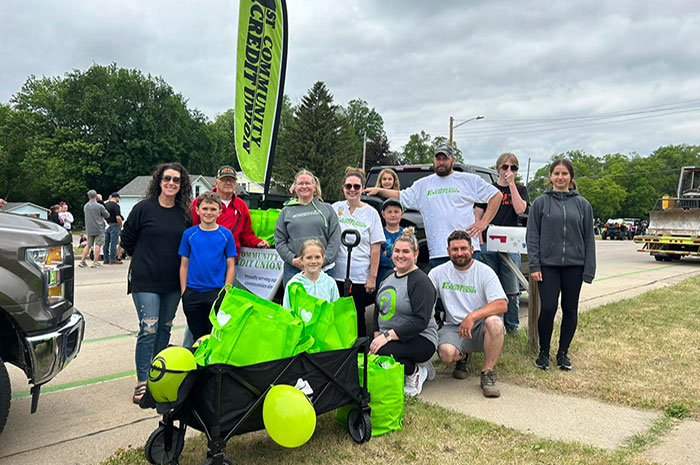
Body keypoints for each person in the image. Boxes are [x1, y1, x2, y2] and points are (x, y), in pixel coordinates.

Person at [121, 162, 192, 404]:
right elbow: (127, 239)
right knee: (149, 328)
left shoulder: (185, 214)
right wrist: (144, 259)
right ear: (159, 181)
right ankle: (142, 381)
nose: (171, 183)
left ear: (182, 185)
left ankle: (157, 375)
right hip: (145, 280)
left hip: (172, 282)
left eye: (176, 180)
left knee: (165, 328)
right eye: (167, 179)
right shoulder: (143, 208)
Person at [365, 143, 502, 268]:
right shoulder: (423, 184)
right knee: (441, 294)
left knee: (469, 293)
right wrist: (380, 190)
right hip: (438, 253)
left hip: (465, 251)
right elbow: (402, 196)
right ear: (434, 160)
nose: (441, 162)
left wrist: (484, 223)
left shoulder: (468, 180)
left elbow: (496, 196)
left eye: (445, 159)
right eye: (438, 159)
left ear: (453, 160)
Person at [527, 159, 596, 371]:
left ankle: (563, 353)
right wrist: (534, 265)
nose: (560, 177)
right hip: (548, 266)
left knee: (570, 310)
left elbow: (589, 239)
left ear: (570, 177)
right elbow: (532, 236)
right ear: (550, 177)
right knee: (547, 308)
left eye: (564, 173)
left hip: (574, 265)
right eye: (556, 173)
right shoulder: (540, 203)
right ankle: (544, 352)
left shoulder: (583, 205)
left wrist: (589, 269)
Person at [429, 230, 507, 398]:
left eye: (463, 248)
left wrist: (472, 316)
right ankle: (462, 356)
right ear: (448, 251)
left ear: (472, 249)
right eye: (455, 249)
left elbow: (502, 304)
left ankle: (487, 373)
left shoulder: (485, 272)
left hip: (479, 325)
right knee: (446, 354)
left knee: (495, 323)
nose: (459, 253)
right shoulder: (437, 273)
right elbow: (425, 298)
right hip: (453, 326)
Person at [371, 228, 438, 397]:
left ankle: (415, 371)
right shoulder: (388, 276)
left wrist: (386, 337)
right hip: (391, 336)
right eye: (397, 251)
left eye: (406, 252)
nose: (400, 255)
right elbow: (379, 307)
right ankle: (411, 365)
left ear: (415, 254)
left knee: (382, 353)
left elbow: (420, 321)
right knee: (365, 351)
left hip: (421, 339)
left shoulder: (421, 282)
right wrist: (376, 334)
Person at [474, 153, 529, 334]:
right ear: (498, 168)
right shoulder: (488, 189)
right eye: (505, 167)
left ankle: (512, 326)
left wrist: (511, 184)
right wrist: (479, 237)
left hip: (510, 243)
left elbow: (520, 209)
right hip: (488, 242)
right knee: (490, 285)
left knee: (512, 287)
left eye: (512, 168)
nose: (508, 171)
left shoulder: (519, 189)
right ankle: (494, 325)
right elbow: (478, 213)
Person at [331, 167, 385, 337]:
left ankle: (360, 354)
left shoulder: (371, 213)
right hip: (336, 273)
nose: (352, 190)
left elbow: (375, 248)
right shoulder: (335, 208)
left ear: (362, 189)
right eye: (348, 186)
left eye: (356, 187)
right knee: (337, 315)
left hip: (360, 275)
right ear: (343, 188)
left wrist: (372, 277)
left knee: (357, 316)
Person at [179, 191, 236, 341]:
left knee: (215, 337)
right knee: (198, 336)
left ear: (220, 211)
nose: (208, 213)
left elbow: (231, 265)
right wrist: (184, 291)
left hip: (216, 293)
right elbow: (184, 265)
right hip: (193, 293)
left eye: (212, 209)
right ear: (197, 210)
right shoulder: (189, 234)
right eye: (204, 209)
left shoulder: (226, 235)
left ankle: (213, 365)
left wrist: (227, 290)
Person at [275, 169, 341, 286]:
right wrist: (292, 260)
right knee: (294, 304)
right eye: (300, 183)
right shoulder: (286, 211)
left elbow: (335, 238)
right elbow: (280, 241)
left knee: (323, 304)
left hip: (324, 270)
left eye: (308, 183)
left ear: (314, 186)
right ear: (295, 187)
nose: (304, 186)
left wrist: (322, 261)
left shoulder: (327, 209)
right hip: (294, 270)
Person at [191, 165, 269, 255]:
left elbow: (246, 234)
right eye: (224, 179)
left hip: (230, 258)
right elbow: (191, 229)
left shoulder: (241, 206)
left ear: (236, 184)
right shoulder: (200, 202)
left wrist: (257, 242)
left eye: (232, 180)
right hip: (203, 255)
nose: (228, 183)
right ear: (216, 182)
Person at [282, 239, 339, 309]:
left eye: (317, 257)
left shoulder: (330, 283)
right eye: (309, 257)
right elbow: (287, 311)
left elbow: (336, 311)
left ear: (323, 259)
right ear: (302, 260)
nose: (313, 261)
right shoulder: (293, 284)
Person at [377, 198, 404, 287]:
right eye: (389, 212)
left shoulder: (407, 234)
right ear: (383, 214)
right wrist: (398, 259)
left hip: (403, 276)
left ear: (402, 214)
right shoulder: (378, 233)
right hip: (383, 276)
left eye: (396, 212)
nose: (393, 215)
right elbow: (378, 257)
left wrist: (388, 253)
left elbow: (411, 257)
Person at [79, 190, 110, 268]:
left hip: (89, 228)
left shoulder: (85, 206)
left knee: (88, 245)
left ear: (88, 196)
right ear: (96, 196)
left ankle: (82, 261)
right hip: (99, 228)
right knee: (98, 245)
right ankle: (95, 262)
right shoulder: (99, 206)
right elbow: (107, 215)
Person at [104, 193, 124, 265]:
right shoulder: (116, 206)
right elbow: (118, 217)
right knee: (114, 242)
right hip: (114, 224)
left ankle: (106, 259)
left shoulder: (105, 205)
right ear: (116, 198)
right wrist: (120, 224)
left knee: (106, 242)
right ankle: (112, 259)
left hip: (107, 225)